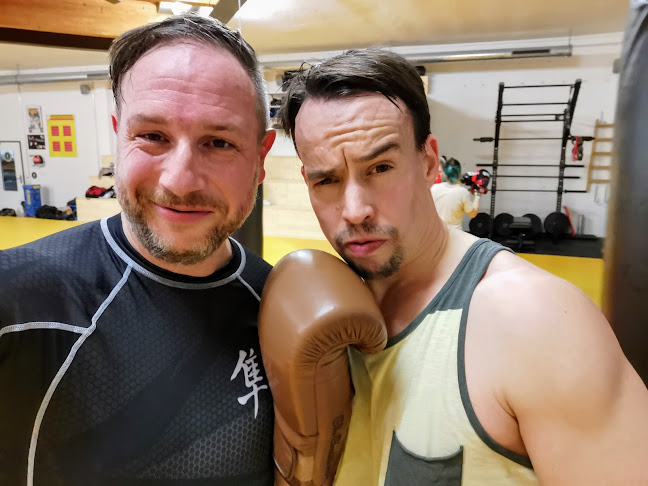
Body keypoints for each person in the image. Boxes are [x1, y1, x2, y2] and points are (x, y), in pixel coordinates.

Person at [278, 49, 648, 485]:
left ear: (429, 162)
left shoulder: (535, 320)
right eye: (327, 180)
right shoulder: (323, 307)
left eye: (380, 167)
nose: (355, 210)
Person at [0, 14, 276, 485]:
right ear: (118, 136)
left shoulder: (277, 305)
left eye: (219, 142)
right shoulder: (18, 298)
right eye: (152, 136)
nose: (180, 181)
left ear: (260, 157)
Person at [431, 156, 481, 231]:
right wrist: (478, 194)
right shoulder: (463, 192)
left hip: (436, 233)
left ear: (444, 173)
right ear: (460, 173)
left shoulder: (433, 188)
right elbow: (473, 214)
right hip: (455, 235)